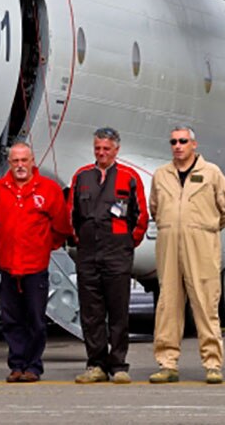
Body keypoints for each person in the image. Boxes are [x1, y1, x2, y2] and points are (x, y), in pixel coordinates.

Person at [148, 125, 225, 385]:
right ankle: (167, 363)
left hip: (201, 247)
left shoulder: (211, 173)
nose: (178, 146)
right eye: (174, 141)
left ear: (193, 144)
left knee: (205, 304)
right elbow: (156, 207)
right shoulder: (161, 175)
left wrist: (206, 228)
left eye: (183, 141)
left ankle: (212, 364)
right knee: (168, 306)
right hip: (169, 248)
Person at [0, 142, 72, 383]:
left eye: (24, 160)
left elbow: (61, 226)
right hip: (9, 266)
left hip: (35, 267)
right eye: (15, 161)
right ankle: (16, 365)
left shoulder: (49, 189)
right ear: (9, 163)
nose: (20, 166)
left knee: (35, 319)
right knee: (11, 320)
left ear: (33, 161)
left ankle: (33, 366)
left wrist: (44, 246)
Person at [69, 127, 149, 384]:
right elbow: (71, 215)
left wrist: (126, 244)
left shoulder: (129, 177)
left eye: (106, 148)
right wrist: (81, 241)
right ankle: (95, 364)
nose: (102, 153)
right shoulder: (82, 176)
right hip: (88, 253)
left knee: (118, 312)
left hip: (117, 254)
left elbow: (141, 216)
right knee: (91, 313)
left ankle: (118, 365)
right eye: (98, 148)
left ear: (116, 150)